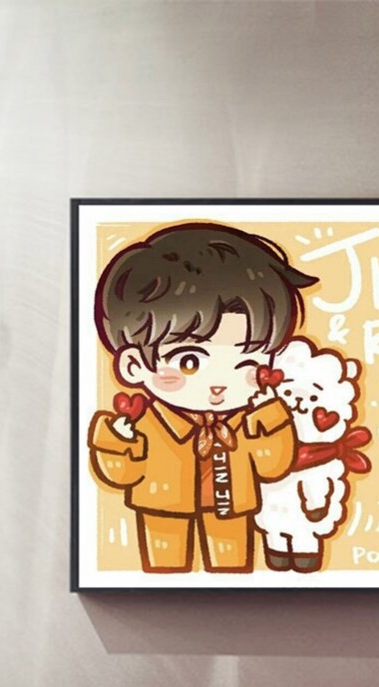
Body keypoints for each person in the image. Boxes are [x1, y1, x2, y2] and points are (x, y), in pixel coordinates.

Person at [87, 222, 318, 573]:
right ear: (134, 366)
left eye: (247, 362)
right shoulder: (146, 425)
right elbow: (119, 474)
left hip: (232, 507)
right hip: (162, 505)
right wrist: (116, 439)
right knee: (164, 571)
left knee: (233, 570)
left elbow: (272, 465)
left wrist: (270, 414)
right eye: (190, 361)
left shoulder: (245, 422)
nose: (220, 384)